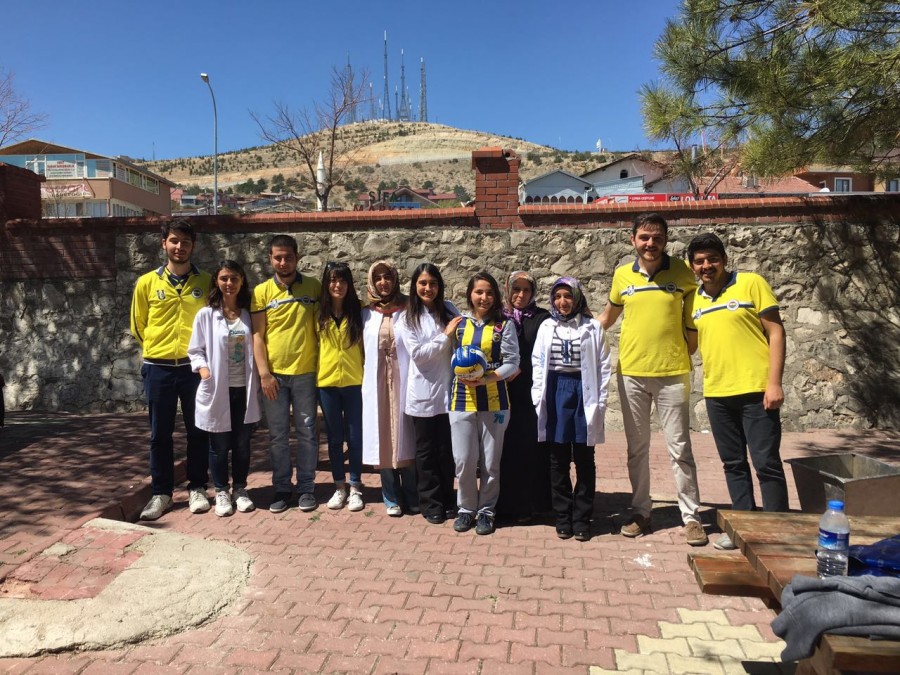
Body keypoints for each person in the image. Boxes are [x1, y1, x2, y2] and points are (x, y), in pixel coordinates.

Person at [599, 213, 708, 546]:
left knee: (680, 448)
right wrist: (569, 329)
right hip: (631, 374)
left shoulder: (683, 273)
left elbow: (693, 323)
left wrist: (682, 351)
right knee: (637, 449)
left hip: (672, 374)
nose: (651, 243)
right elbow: (607, 318)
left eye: (657, 237)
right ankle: (641, 512)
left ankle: (691, 517)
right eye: (644, 237)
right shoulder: (622, 275)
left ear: (666, 240)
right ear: (633, 239)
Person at [685, 233, 790, 550]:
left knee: (766, 463)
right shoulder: (694, 301)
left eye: (712, 259)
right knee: (733, 464)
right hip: (717, 395)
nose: (707, 266)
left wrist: (774, 383)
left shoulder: (750, 283)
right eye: (700, 261)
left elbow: (776, 332)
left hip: (757, 391)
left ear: (724, 260)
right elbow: (689, 345)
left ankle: (777, 533)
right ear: (693, 267)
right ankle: (742, 529)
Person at [130, 219, 211, 521]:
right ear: (163, 243)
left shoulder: (207, 282)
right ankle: (161, 494)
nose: (179, 247)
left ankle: (197, 488)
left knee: (198, 431)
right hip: (158, 368)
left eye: (185, 242)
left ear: (193, 246)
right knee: (159, 435)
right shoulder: (146, 283)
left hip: (194, 369)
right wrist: (158, 348)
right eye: (174, 241)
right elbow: (138, 325)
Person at [532, 277, 612, 541]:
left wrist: (600, 401)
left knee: (584, 458)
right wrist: (538, 395)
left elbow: (603, 366)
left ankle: (582, 518)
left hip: (583, 393)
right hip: (555, 393)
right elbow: (537, 362)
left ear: (577, 298)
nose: (562, 302)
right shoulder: (547, 326)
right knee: (558, 459)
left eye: (567, 296)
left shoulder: (592, 327)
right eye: (557, 297)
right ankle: (563, 516)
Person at [251, 235, 321, 514]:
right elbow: (257, 336)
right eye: (278, 258)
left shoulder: (314, 287)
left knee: (307, 433)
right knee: (278, 436)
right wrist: (264, 374)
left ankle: (306, 488)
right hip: (274, 377)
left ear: (297, 257)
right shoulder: (261, 292)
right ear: (270, 259)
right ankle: (282, 488)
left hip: (306, 374)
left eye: (288, 257)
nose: (283, 262)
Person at [449, 271, 520, 536]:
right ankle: (466, 509)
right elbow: (449, 360)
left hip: (495, 400)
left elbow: (513, 362)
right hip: (461, 400)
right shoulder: (459, 324)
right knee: (464, 460)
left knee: (490, 462)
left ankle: (487, 511)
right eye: (479, 292)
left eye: (489, 293)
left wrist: (487, 378)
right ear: (470, 294)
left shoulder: (504, 325)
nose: (484, 297)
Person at [188, 260, 261, 517]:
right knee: (218, 444)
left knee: (242, 443)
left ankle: (240, 489)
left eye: (234, 278)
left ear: (242, 282)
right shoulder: (206, 315)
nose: (229, 283)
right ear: (216, 282)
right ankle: (221, 490)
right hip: (218, 387)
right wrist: (204, 371)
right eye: (224, 278)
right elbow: (195, 350)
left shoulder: (249, 314)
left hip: (243, 388)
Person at [395, 263, 461, 525]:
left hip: (448, 392)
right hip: (421, 395)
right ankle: (430, 503)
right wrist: (445, 336)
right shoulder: (407, 318)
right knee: (425, 454)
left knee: (446, 450)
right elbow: (419, 355)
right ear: (414, 286)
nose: (428, 288)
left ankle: (448, 499)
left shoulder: (450, 309)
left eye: (433, 283)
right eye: (422, 283)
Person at [362, 260, 418, 517]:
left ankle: (412, 494)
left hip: (404, 380)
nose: (383, 282)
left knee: (406, 435)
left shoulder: (409, 308)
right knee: (382, 436)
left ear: (395, 279)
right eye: (378, 278)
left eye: (388, 277)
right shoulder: (366, 314)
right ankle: (391, 497)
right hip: (377, 384)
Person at [495, 271, 552, 523]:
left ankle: (531, 505)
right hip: (501, 391)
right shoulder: (497, 317)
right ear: (507, 290)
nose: (520, 295)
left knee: (531, 448)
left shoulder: (542, 318)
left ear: (533, 292)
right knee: (503, 449)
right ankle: (503, 504)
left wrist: (522, 369)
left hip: (530, 392)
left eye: (526, 290)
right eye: (515, 289)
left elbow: (545, 354)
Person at [316, 262, 365, 513]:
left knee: (355, 438)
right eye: (333, 280)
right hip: (327, 384)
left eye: (343, 280)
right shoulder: (318, 313)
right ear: (326, 283)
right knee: (335, 439)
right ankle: (339, 487)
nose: (338, 285)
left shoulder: (359, 311)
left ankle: (355, 486)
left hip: (354, 383)